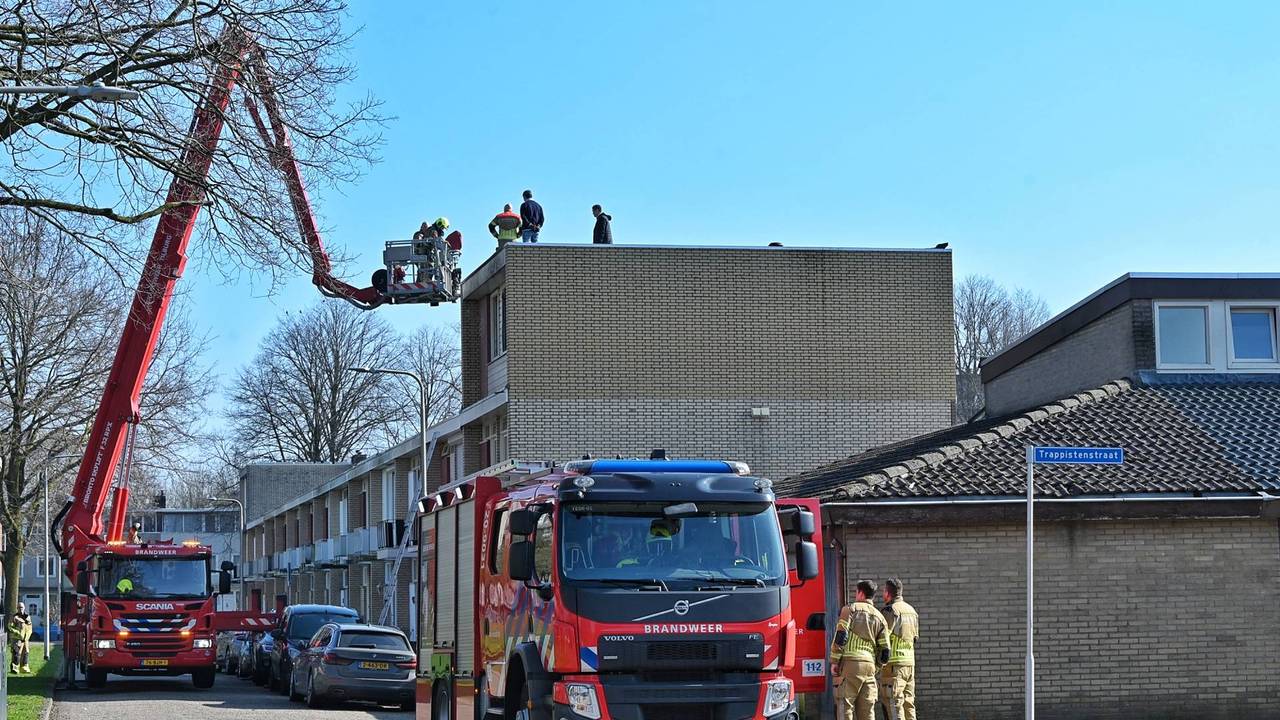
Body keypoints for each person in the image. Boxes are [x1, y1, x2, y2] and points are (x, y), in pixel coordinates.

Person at [830, 580, 890, 720]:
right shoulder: (880, 617)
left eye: (856, 592)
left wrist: (834, 661)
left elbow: (841, 636)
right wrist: (876, 667)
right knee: (867, 710)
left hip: (850, 665)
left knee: (845, 705)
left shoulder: (850, 609)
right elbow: (885, 651)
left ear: (861, 593)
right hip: (869, 667)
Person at [883, 578, 919, 720]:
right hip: (909, 664)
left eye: (884, 591)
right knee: (908, 703)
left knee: (893, 702)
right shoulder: (912, 611)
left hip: (894, 665)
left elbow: (882, 637)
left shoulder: (890, 610)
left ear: (888, 592)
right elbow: (915, 638)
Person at [8, 601, 33, 674]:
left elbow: (30, 627)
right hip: (17, 639)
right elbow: (10, 626)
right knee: (16, 653)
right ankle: (14, 668)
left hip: (25, 640)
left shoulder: (28, 617)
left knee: (25, 653)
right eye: (18, 608)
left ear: (24, 608)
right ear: (17, 608)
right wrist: (17, 632)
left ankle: (24, 667)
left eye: (21, 607)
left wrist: (28, 636)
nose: (20, 609)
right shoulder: (14, 617)